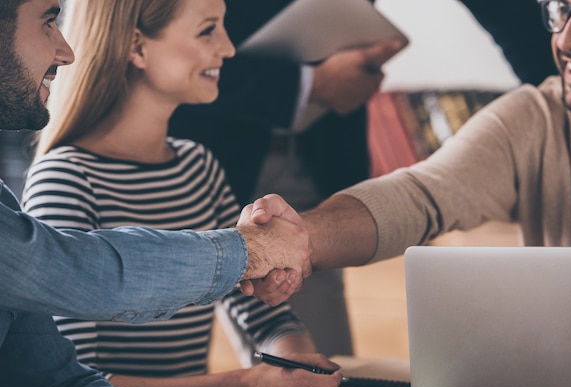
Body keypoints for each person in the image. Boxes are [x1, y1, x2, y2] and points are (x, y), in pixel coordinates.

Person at [21, 0, 341, 387]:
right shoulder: (65, 180)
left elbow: (260, 313)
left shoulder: (199, 167)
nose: (227, 49)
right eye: (208, 30)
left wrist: (293, 364)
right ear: (137, 47)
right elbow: (70, 379)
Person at [240, 0, 571, 283]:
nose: (565, 39)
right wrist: (297, 236)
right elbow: (418, 196)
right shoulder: (536, 116)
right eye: (561, 11)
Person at [168, 0, 405, 358]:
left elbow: (268, 321)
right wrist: (308, 84)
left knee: (322, 367)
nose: (224, 47)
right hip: (214, 147)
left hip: (316, 154)